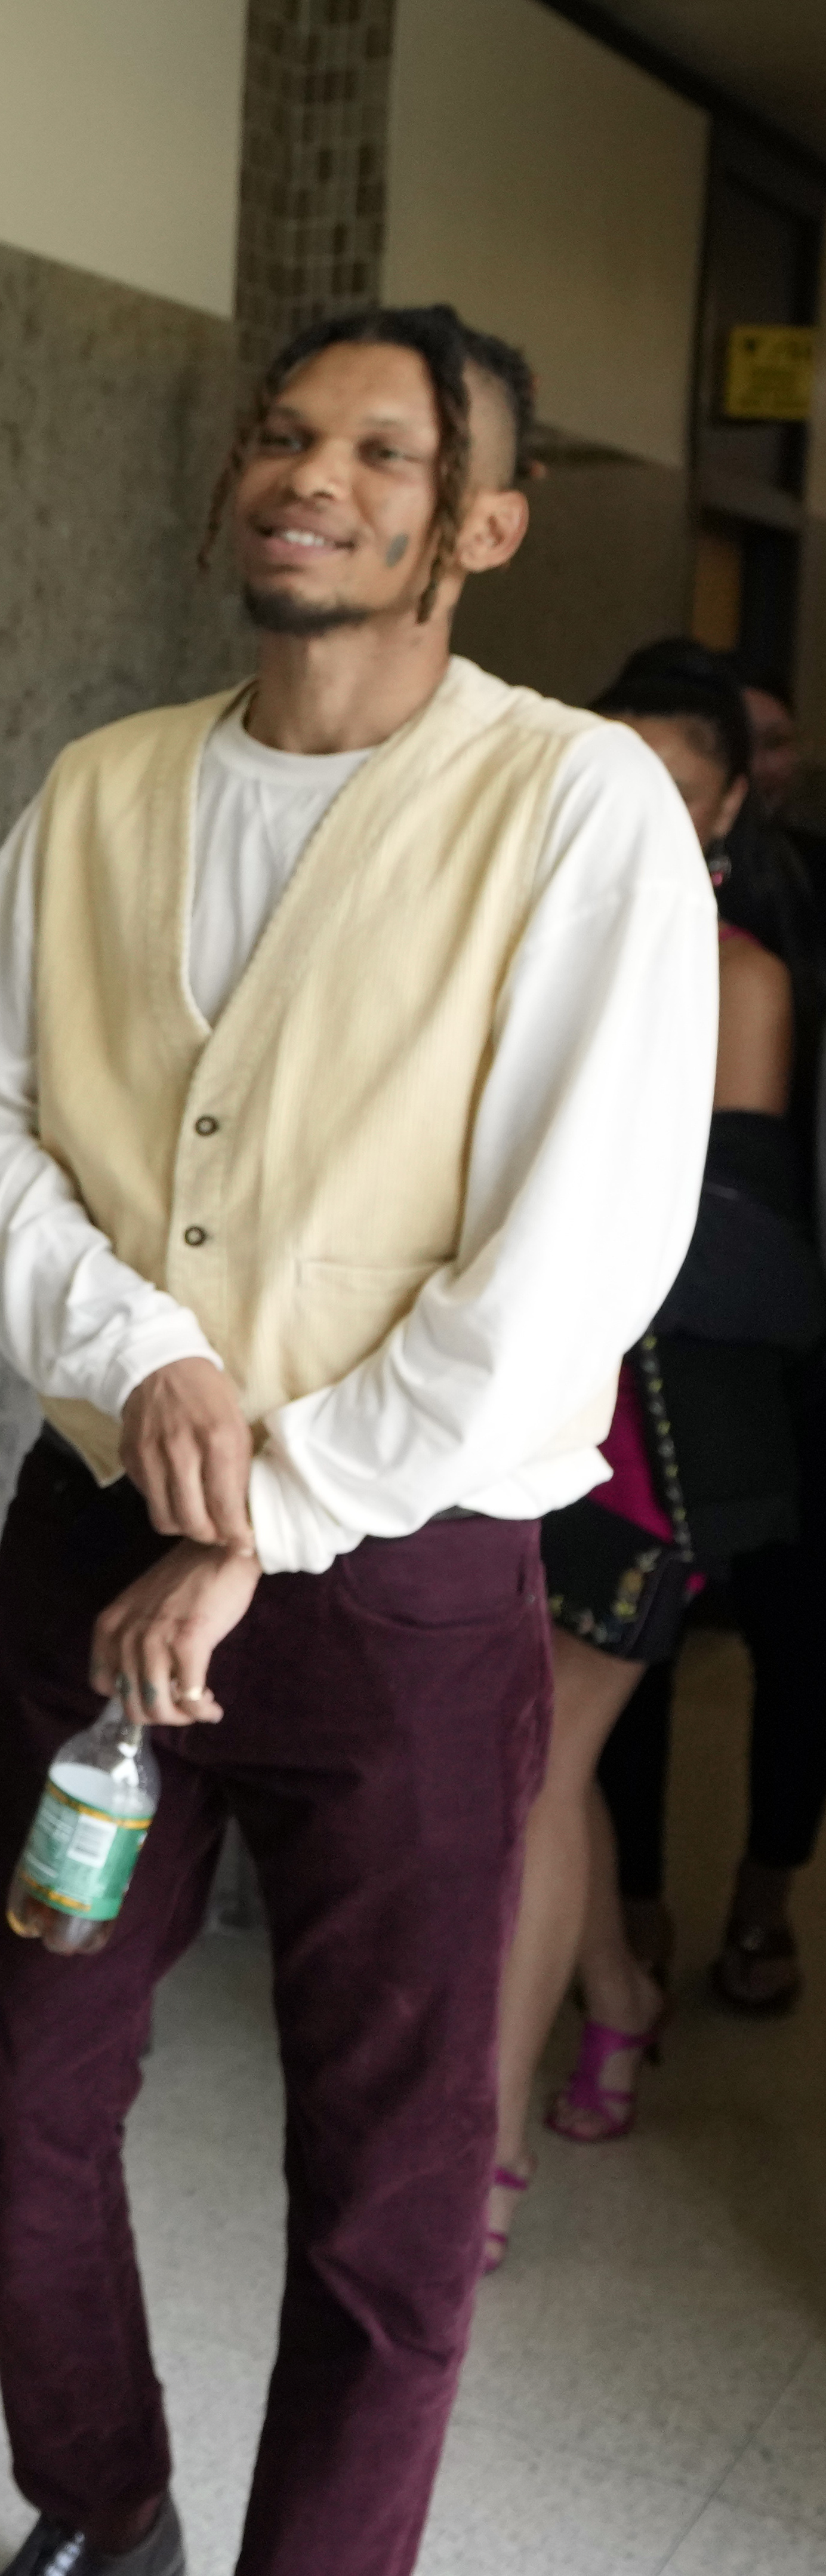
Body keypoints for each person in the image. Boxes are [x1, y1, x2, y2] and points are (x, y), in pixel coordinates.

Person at [0, 305, 714, 2576]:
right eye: (282, 431)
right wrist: (139, 1350)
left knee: (386, 2173)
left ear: (479, 521)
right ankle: (102, 2501)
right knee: (22, 2089)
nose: (311, 472)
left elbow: (578, 1247)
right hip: (94, 1552)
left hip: (403, 1578)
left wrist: (268, 1504)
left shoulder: (574, 806)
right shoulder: (104, 785)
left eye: (382, 446)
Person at [485, 655, 809, 2262]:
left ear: (729, 810)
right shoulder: (520, 939)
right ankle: (613, 1991)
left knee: (533, 1762)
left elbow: (709, 1237)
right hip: (513, 1398)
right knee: (541, 1743)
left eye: (678, 794)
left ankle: (474, 2154)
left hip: (644, 1420)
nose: (636, 818)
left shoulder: (739, 973)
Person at [594, 647, 826, 2018]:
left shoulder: (771, 943)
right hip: (624, 1355)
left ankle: (758, 1898)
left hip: (757, 1338)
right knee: (626, 1659)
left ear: (736, 796)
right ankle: (628, 1930)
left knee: (799, 1640)